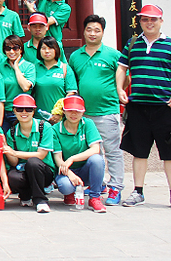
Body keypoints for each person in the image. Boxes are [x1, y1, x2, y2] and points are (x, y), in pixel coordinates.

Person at [117, 4, 171, 211]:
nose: (149, 23)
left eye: (153, 19)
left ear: (161, 21)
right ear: (140, 21)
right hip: (138, 107)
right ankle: (138, 191)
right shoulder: (133, 44)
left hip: (164, 107)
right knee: (139, 152)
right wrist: (119, 89)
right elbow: (122, 67)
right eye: (145, 19)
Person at [68, 14, 124, 205]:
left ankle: (116, 187)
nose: (92, 33)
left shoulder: (113, 55)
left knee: (112, 151)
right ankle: (98, 185)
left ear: (103, 32)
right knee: (93, 153)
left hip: (107, 111)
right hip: (83, 114)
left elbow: (124, 78)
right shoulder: (75, 56)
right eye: (89, 29)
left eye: (97, 30)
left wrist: (117, 93)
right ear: (84, 31)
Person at [52, 95, 106, 213]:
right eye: (70, 110)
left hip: (85, 168)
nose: (74, 114)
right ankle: (70, 193)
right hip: (66, 170)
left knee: (97, 159)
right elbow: (58, 158)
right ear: (63, 111)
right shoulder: (55, 129)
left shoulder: (88, 123)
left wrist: (72, 159)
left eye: (78, 111)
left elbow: (95, 149)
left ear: (83, 112)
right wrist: (70, 174)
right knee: (66, 186)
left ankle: (95, 198)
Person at [3, 93, 56, 213]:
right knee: (12, 176)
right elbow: (14, 162)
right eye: (19, 109)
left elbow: (41, 155)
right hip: (22, 170)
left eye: (28, 109)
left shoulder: (44, 127)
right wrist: (7, 150)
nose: (24, 112)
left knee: (33, 162)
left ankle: (40, 200)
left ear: (33, 111)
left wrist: (15, 153)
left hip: (43, 171)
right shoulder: (12, 132)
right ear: (14, 111)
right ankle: (25, 195)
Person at [33, 37, 76, 124]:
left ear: (56, 49)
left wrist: (59, 112)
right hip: (38, 118)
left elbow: (71, 93)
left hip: (60, 119)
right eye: (43, 48)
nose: (47, 51)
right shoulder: (34, 68)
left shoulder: (65, 68)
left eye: (50, 48)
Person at [0, 34, 36, 133]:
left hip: (22, 111)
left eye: (15, 48)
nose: (11, 52)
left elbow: (25, 87)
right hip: (4, 111)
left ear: (21, 49)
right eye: (8, 48)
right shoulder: (0, 68)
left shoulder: (29, 67)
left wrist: (16, 67)